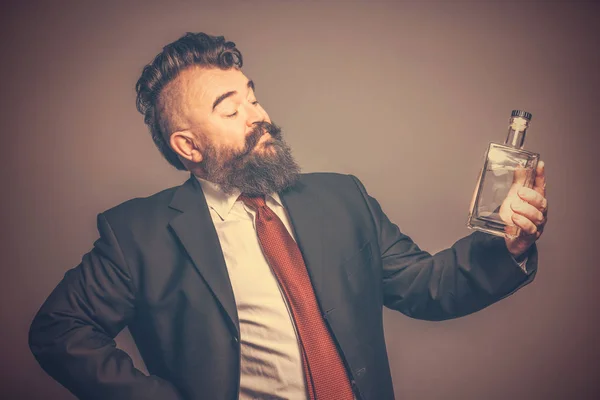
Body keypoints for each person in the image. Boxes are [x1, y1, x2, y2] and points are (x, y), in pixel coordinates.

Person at [28, 32, 548, 400]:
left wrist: (510, 245)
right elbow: (60, 330)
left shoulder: (342, 198)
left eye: (254, 97)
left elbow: (427, 285)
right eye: (231, 110)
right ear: (188, 145)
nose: (259, 116)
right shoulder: (137, 235)